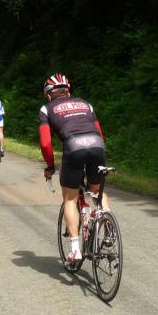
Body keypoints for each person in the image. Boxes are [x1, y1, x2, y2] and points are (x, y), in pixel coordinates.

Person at [39, 72, 109, 264]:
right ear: (68, 92)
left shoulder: (46, 109)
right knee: (97, 190)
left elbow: (46, 143)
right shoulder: (86, 104)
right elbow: (99, 132)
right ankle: (107, 224)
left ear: (48, 94)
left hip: (73, 146)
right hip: (97, 144)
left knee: (70, 199)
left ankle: (76, 249)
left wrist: (51, 166)